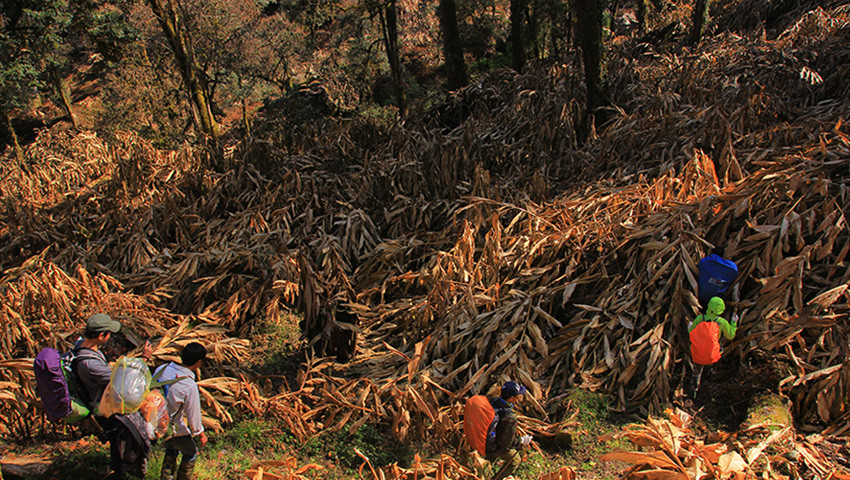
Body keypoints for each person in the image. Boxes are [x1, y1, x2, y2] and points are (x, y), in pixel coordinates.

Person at [74, 313, 153, 479]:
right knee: (125, 443)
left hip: (106, 403)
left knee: (117, 444)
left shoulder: (82, 346)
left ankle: (120, 470)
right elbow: (123, 380)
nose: (110, 337)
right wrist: (144, 358)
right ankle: (123, 472)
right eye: (109, 333)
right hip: (108, 410)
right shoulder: (90, 364)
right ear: (101, 335)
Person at [154, 342, 208, 480]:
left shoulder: (163, 368)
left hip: (151, 419)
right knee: (191, 452)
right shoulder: (189, 386)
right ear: (198, 362)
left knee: (173, 446)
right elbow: (193, 416)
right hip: (168, 426)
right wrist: (200, 434)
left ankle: (166, 477)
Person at [688, 297, 738, 395]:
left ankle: (693, 393)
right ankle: (707, 387)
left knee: (696, 373)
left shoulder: (700, 318)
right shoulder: (721, 322)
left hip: (698, 351)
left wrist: (689, 326)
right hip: (712, 353)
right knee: (710, 365)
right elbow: (731, 335)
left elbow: (691, 333)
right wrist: (734, 322)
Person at [485, 381, 532, 480]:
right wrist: (522, 441)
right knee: (515, 461)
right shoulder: (510, 417)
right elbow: (507, 443)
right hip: (494, 446)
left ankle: (484, 469)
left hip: (484, 440)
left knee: (489, 458)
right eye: (517, 396)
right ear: (511, 398)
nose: (519, 397)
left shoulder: (494, 402)